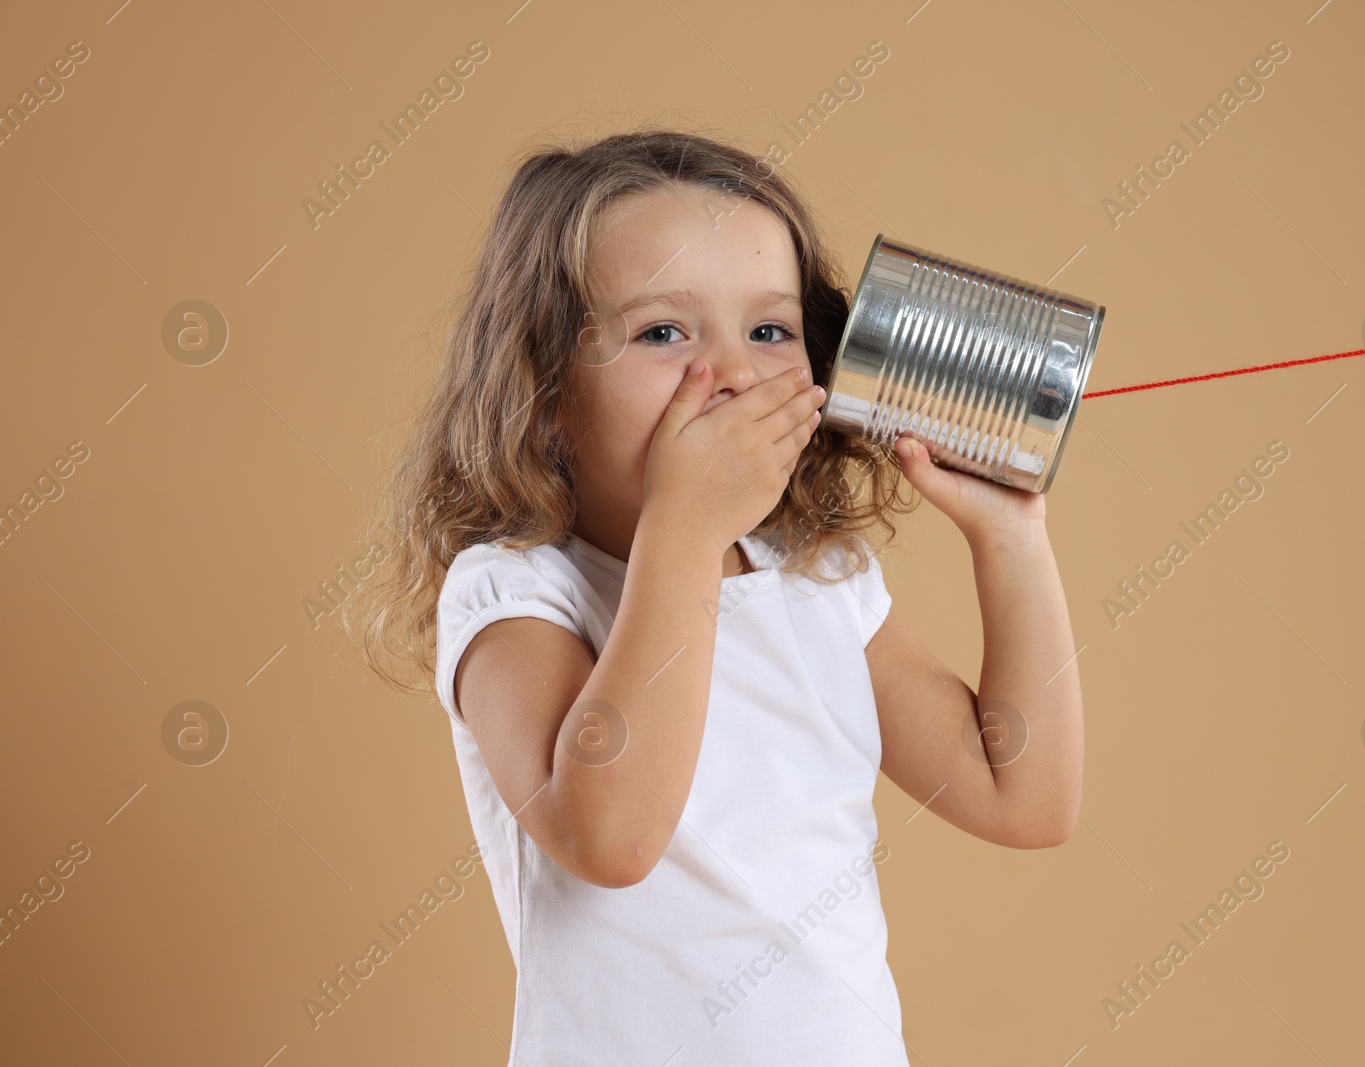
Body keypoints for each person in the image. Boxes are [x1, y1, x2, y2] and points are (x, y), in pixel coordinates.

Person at [353, 126, 1085, 1065]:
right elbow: (610, 837)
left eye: (770, 330)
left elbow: (1023, 797)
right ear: (545, 392)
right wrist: (686, 531)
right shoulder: (514, 595)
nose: (734, 372)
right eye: (664, 332)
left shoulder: (820, 580)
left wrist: (1010, 537)